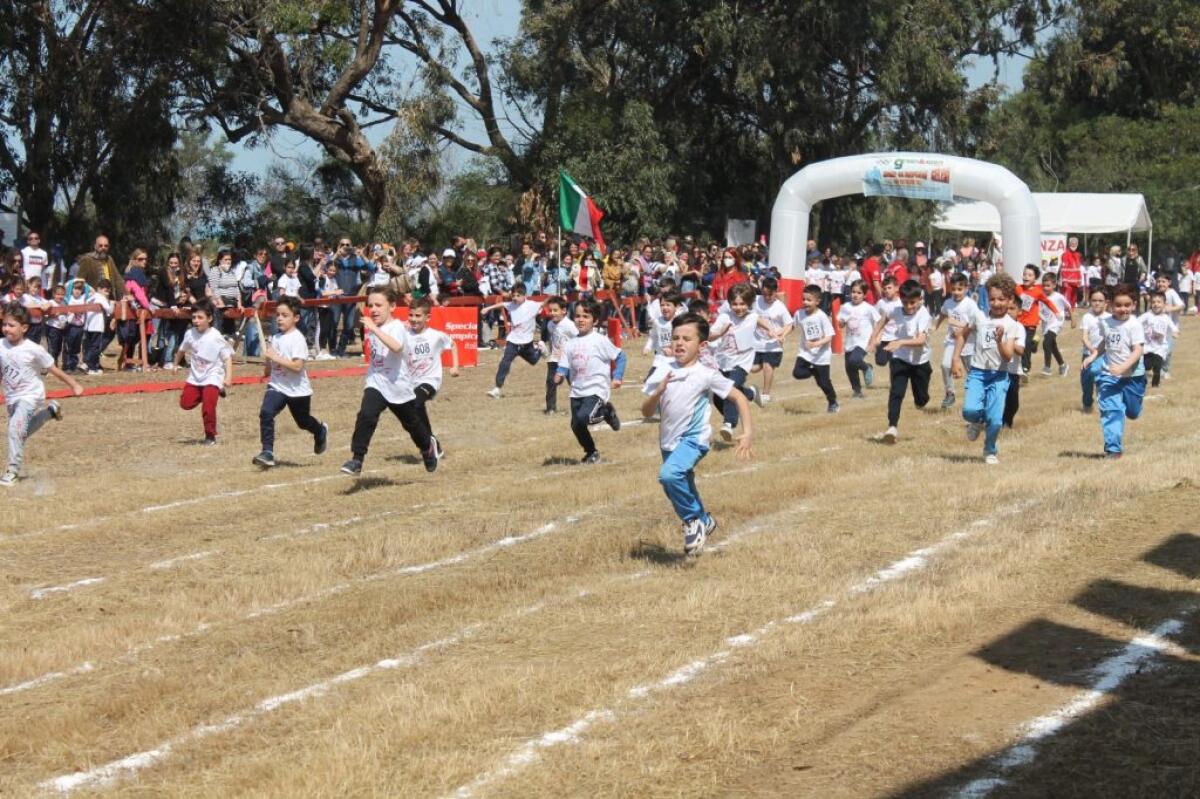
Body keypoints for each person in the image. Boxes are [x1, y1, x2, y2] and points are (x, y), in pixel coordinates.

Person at [642, 312, 753, 555]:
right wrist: (657, 392)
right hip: (668, 442)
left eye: (687, 339)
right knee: (677, 487)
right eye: (675, 338)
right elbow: (647, 412)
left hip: (694, 439)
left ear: (702, 346)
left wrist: (747, 432)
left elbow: (739, 397)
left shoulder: (706, 373)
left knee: (670, 476)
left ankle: (693, 520)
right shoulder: (662, 369)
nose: (679, 343)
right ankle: (705, 519)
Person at [341, 287, 439, 476]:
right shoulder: (374, 326)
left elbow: (396, 347)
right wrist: (373, 328)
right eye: (370, 305)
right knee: (366, 415)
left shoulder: (397, 327)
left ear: (392, 306)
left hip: (398, 386)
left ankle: (427, 447)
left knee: (411, 424)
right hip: (376, 382)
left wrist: (374, 328)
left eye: (379, 305)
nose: (374, 309)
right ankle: (357, 460)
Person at [0, 303, 83, 486]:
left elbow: (53, 370)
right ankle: (50, 413)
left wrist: (74, 384)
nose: (6, 328)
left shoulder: (33, 349)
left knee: (15, 430)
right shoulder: (1, 346)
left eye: (11, 325)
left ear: (24, 328)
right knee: (20, 432)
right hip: (12, 397)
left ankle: (12, 471)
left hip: (30, 396)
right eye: (4, 324)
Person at [951, 274, 1023, 465]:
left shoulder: (1011, 325)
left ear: (1010, 300)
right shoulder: (980, 317)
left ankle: (990, 450)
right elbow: (962, 335)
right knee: (969, 410)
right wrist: (955, 359)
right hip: (978, 372)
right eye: (992, 299)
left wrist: (999, 340)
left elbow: (1008, 356)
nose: (997, 303)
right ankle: (976, 421)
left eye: (1001, 299)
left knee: (996, 420)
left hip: (999, 376)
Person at [252, 296, 328, 468]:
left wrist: (275, 358)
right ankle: (267, 452)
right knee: (266, 412)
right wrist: (267, 369)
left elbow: (297, 366)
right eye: (278, 315)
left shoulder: (297, 339)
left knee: (303, 422)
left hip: (297, 390)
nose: (279, 318)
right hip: (277, 386)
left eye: (285, 315)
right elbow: (271, 359)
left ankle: (320, 430)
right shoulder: (276, 337)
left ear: (296, 318)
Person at [554, 299, 625, 464]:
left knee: (583, 418)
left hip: (595, 390)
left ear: (595, 320)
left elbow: (620, 356)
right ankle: (591, 453)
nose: (581, 320)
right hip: (576, 390)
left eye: (585, 316)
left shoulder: (599, 340)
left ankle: (606, 412)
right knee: (576, 425)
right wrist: (559, 375)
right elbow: (564, 364)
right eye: (578, 316)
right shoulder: (570, 343)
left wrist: (618, 376)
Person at [868, 279, 932, 444]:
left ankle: (921, 399)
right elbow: (882, 319)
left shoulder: (923, 314)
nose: (909, 306)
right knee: (896, 392)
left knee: (922, 399)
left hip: (920, 361)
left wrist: (900, 342)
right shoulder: (895, 310)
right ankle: (892, 427)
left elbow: (921, 340)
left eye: (912, 303)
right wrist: (874, 338)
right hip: (900, 358)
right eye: (905, 302)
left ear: (919, 300)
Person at [1087, 285, 1145, 458]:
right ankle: (1113, 449)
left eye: (1127, 305)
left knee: (1132, 412)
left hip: (1133, 376)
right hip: (1109, 375)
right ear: (1110, 305)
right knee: (1111, 410)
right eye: (1118, 305)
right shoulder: (1106, 323)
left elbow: (1137, 350)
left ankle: (1135, 408)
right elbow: (1105, 343)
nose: (1123, 309)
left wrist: (1122, 367)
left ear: (1134, 305)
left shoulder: (1134, 325)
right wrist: (1093, 356)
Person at [708, 283, 765, 441]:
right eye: (735, 304)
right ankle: (750, 393)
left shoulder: (752, 316)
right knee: (719, 395)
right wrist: (719, 333)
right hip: (723, 361)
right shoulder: (725, 317)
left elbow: (760, 321)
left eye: (742, 304)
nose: (738, 307)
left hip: (742, 363)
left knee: (730, 388)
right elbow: (710, 335)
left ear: (749, 304)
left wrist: (773, 332)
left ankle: (729, 424)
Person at [172, 300, 233, 446]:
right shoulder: (190, 334)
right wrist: (175, 364)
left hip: (213, 376)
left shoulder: (216, 336)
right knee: (185, 403)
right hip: (195, 377)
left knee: (208, 407)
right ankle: (215, 391)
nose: (196, 321)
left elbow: (227, 357)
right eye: (194, 318)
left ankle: (210, 436)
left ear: (210, 318)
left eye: (200, 318)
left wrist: (228, 377)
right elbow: (181, 350)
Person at [403, 296, 458, 449]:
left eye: (418, 316)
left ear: (428, 317)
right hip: (411, 382)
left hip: (430, 380)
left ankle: (428, 442)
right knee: (414, 412)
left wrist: (455, 367)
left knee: (415, 404)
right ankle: (432, 443)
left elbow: (453, 345)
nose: (413, 319)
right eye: (411, 315)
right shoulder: (404, 333)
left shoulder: (435, 335)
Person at [482, 283, 545, 399]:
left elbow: (545, 303)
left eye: (518, 295)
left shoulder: (532, 305)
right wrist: (487, 308)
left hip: (527, 343)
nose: (515, 298)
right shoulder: (511, 304)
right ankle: (497, 388)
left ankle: (541, 349)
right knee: (504, 363)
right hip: (513, 341)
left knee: (534, 361)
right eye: (513, 295)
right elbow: (501, 304)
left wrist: (557, 299)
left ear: (524, 295)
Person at [790, 284, 839, 412]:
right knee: (797, 373)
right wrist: (781, 334)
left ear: (817, 302)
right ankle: (813, 371)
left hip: (821, 355)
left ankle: (833, 401)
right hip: (806, 353)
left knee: (823, 383)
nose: (805, 302)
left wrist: (815, 344)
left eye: (809, 300)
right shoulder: (799, 313)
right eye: (803, 299)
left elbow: (830, 336)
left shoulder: (821, 316)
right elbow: (792, 326)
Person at [933, 272, 978, 408]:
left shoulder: (970, 304)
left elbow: (975, 322)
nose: (956, 292)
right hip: (952, 341)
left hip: (968, 343)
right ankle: (950, 393)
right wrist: (935, 326)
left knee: (972, 372)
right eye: (953, 289)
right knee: (945, 365)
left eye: (960, 289)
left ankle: (978, 395)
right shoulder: (948, 302)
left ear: (966, 288)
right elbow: (943, 313)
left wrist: (964, 329)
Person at [1014, 264, 1062, 376]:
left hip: (1031, 323)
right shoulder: (1018, 288)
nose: (1026, 276)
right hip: (1019, 322)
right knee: (1019, 344)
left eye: (1030, 275)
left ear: (1035, 279)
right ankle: (1034, 342)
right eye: (1025, 274)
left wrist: (1056, 312)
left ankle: (1025, 367)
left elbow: (1048, 302)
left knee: (1025, 343)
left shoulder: (1038, 292)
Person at [752, 277, 792, 403]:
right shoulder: (756, 301)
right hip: (757, 342)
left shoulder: (780, 307)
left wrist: (781, 334)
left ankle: (765, 394)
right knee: (754, 368)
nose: (767, 297)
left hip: (773, 344)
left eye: (770, 294)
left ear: (775, 292)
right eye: (764, 294)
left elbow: (789, 324)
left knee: (767, 366)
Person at [837, 279, 879, 398]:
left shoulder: (868, 308)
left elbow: (879, 321)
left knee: (854, 360)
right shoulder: (846, 306)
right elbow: (842, 322)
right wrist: (841, 323)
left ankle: (867, 367)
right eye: (853, 292)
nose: (855, 295)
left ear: (865, 295)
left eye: (859, 293)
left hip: (863, 342)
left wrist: (875, 339)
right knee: (849, 367)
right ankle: (857, 391)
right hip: (850, 341)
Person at [332, 238, 368, 357]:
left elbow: (370, 268)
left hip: (351, 297)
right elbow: (325, 266)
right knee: (334, 323)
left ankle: (341, 350)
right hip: (336, 297)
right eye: (342, 244)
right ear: (338, 245)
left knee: (349, 325)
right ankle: (332, 350)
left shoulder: (355, 260)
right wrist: (337, 254)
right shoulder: (334, 259)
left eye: (348, 244)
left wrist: (361, 255)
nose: (345, 246)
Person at [1079, 287, 1110, 413]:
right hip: (1088, 354)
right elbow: (1084, 336)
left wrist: (1098, 351)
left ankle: (1104, 406)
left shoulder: (1110, 318)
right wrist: (1092, 350)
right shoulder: (1087, 316)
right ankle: (1087, 405)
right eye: (1094, 300)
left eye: (1100, 300)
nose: (1097, 303)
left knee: (1101, 382)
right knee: (1086, 383)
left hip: (1104, 355)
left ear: (1106, 302)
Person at [544, 295, 576, 415]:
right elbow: (554, 340)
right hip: (555, 359)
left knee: (574, 384)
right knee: (550, 382)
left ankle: (580, 406)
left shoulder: (570, 325)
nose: (552, 313)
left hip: (569, 360)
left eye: (555, 310)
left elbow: (579, 338)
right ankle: (551, 408)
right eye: (550, 310)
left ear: (564, 311)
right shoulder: (550, 325)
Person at [1138, 292, 1178, 389]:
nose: (1156, 304)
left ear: (1164, 304)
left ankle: (1155, 385)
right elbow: (1136, 322)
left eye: (1159, 302)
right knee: (1146, 366)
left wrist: (1175, 333)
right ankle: (1142, 381)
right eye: (1153, 302)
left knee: (1157, 367)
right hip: (1147, 347)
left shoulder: (1166, 318)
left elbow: (1173, 327)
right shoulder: (1147, 315)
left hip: (1160, 348)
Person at [1039, 272, 1073, 376]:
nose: (1045, 288)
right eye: (1044, 285)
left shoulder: (1058, 296)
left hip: (1056, 323)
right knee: (1052, 346)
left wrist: (1073, 319)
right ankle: (1063, 365)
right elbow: (1039, 310)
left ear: (1054, 285)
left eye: (1048, 285)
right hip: (1046, 325)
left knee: (1046, 343)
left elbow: (1068, 307)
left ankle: (1047, 367)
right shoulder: (1041, 297)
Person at [1153, 274, 1185, 378]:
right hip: (1158, 328)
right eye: (1158, 281)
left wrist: (1169, 309)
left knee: (1168, 350)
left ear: (1169, 283)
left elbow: (1181, 305)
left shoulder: (1171, 293)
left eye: (1163, 281)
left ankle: (1164, 369)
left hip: (1171, 328)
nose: (1160, 284)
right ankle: (1158, 369)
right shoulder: (1156, 294)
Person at [82, 279, 114, 375]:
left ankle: (93, 366)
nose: (107, 293)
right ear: (99, 289)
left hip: (88, 325)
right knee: (95, 347)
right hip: (97, 326)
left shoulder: (91, 297)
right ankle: (87, 364)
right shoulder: (101, 298)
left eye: (108, 291)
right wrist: (112, 303)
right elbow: (109, 311)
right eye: (105, 290)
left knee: (90, 346)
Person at [873, 276, 901, 367]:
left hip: (896, 338)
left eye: (889, 288)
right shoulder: (881, 303)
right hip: (883, 338)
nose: (887, 290)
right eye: (885, 288)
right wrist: (876, 336)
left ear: (896, 288)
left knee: (895, 363)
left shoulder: (901, 303)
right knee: (880, 362)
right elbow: (875, 319)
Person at [43, 284, 68, 366]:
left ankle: (55, 363)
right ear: (53, 294)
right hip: (52, 328)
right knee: (52, 348)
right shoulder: (51, 302)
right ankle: (52, 367)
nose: (60, 296)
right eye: (58, 294)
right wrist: (52, 315)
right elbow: (45, 314)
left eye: (62, 294)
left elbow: (67, 313)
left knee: (58, 348)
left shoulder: (64, 303)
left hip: (62, 328)